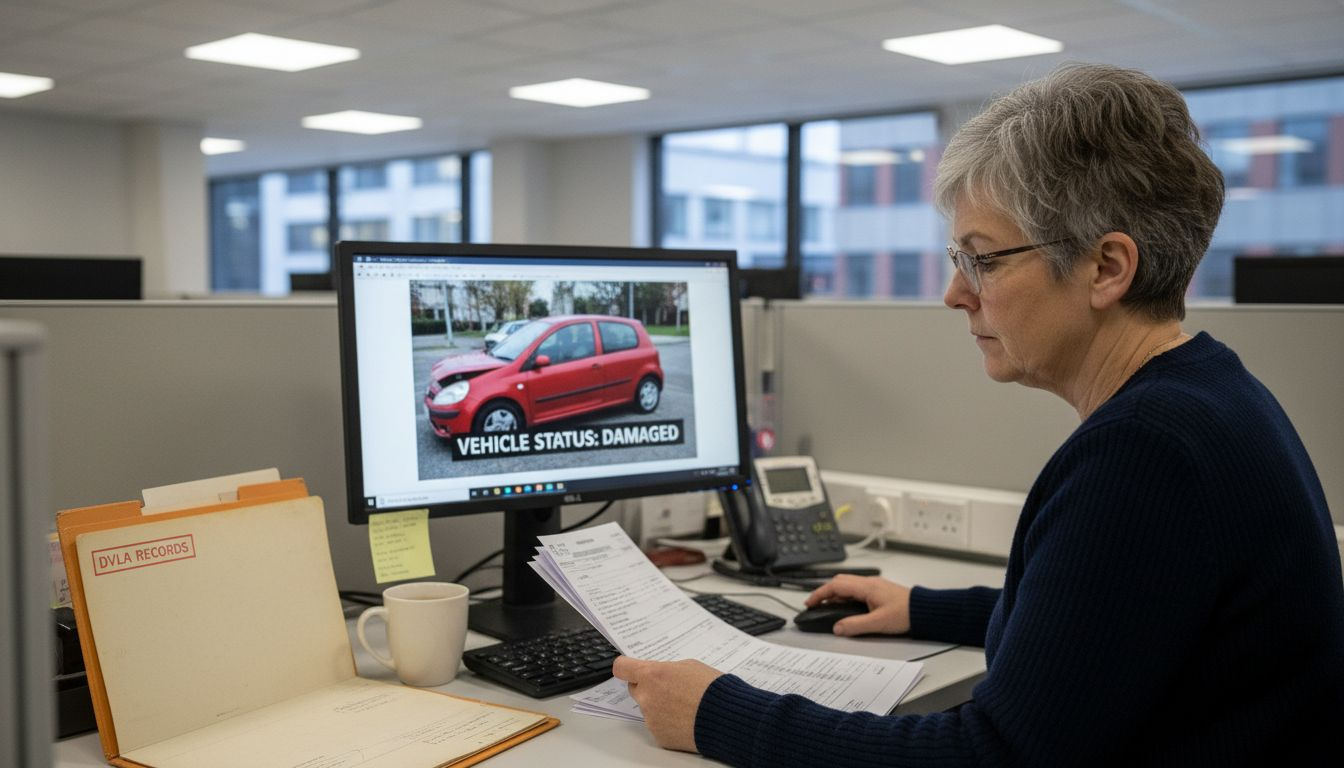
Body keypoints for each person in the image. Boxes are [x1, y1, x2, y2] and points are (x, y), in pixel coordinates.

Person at [612, 62, 1344, 766]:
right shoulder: (1209, 395)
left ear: (1106, 268)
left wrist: (718, 714)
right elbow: (1107, 624)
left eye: (982, 259)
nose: (954, 293)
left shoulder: (1147, 453)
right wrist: (927, 607)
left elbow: (994, 755)